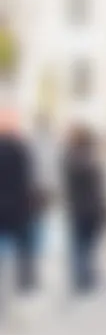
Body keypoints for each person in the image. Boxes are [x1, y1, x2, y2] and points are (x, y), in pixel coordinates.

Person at [61, 126, 106, 296]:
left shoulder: (69, 159)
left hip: (77, 208)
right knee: (88, 245)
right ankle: (86, 277)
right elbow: (99, 189)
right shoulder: (92, 160)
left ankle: (80, 278)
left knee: (78, 245)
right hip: (92, 209)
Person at [0, 106, 39, 298]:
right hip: (17, 207)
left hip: (8, 206)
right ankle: (25, 282)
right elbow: (26, 180)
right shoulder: (20, 149)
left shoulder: (19, 148)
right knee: (24, 246)